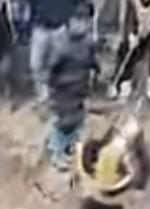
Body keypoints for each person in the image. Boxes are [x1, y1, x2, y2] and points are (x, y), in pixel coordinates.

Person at [46, 7, 97, 169]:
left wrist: (96, 68)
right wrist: (52, 86)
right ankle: (56, 152)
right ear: (70, 22)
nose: (82, 25)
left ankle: (69, 151)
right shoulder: (61, 43)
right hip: (63, 91)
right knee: (64, 122)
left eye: (86, 21)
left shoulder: (88, 41)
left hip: (80, 89)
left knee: (77, 121)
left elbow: (91, 60)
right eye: (79, 20)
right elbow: (51, 68)